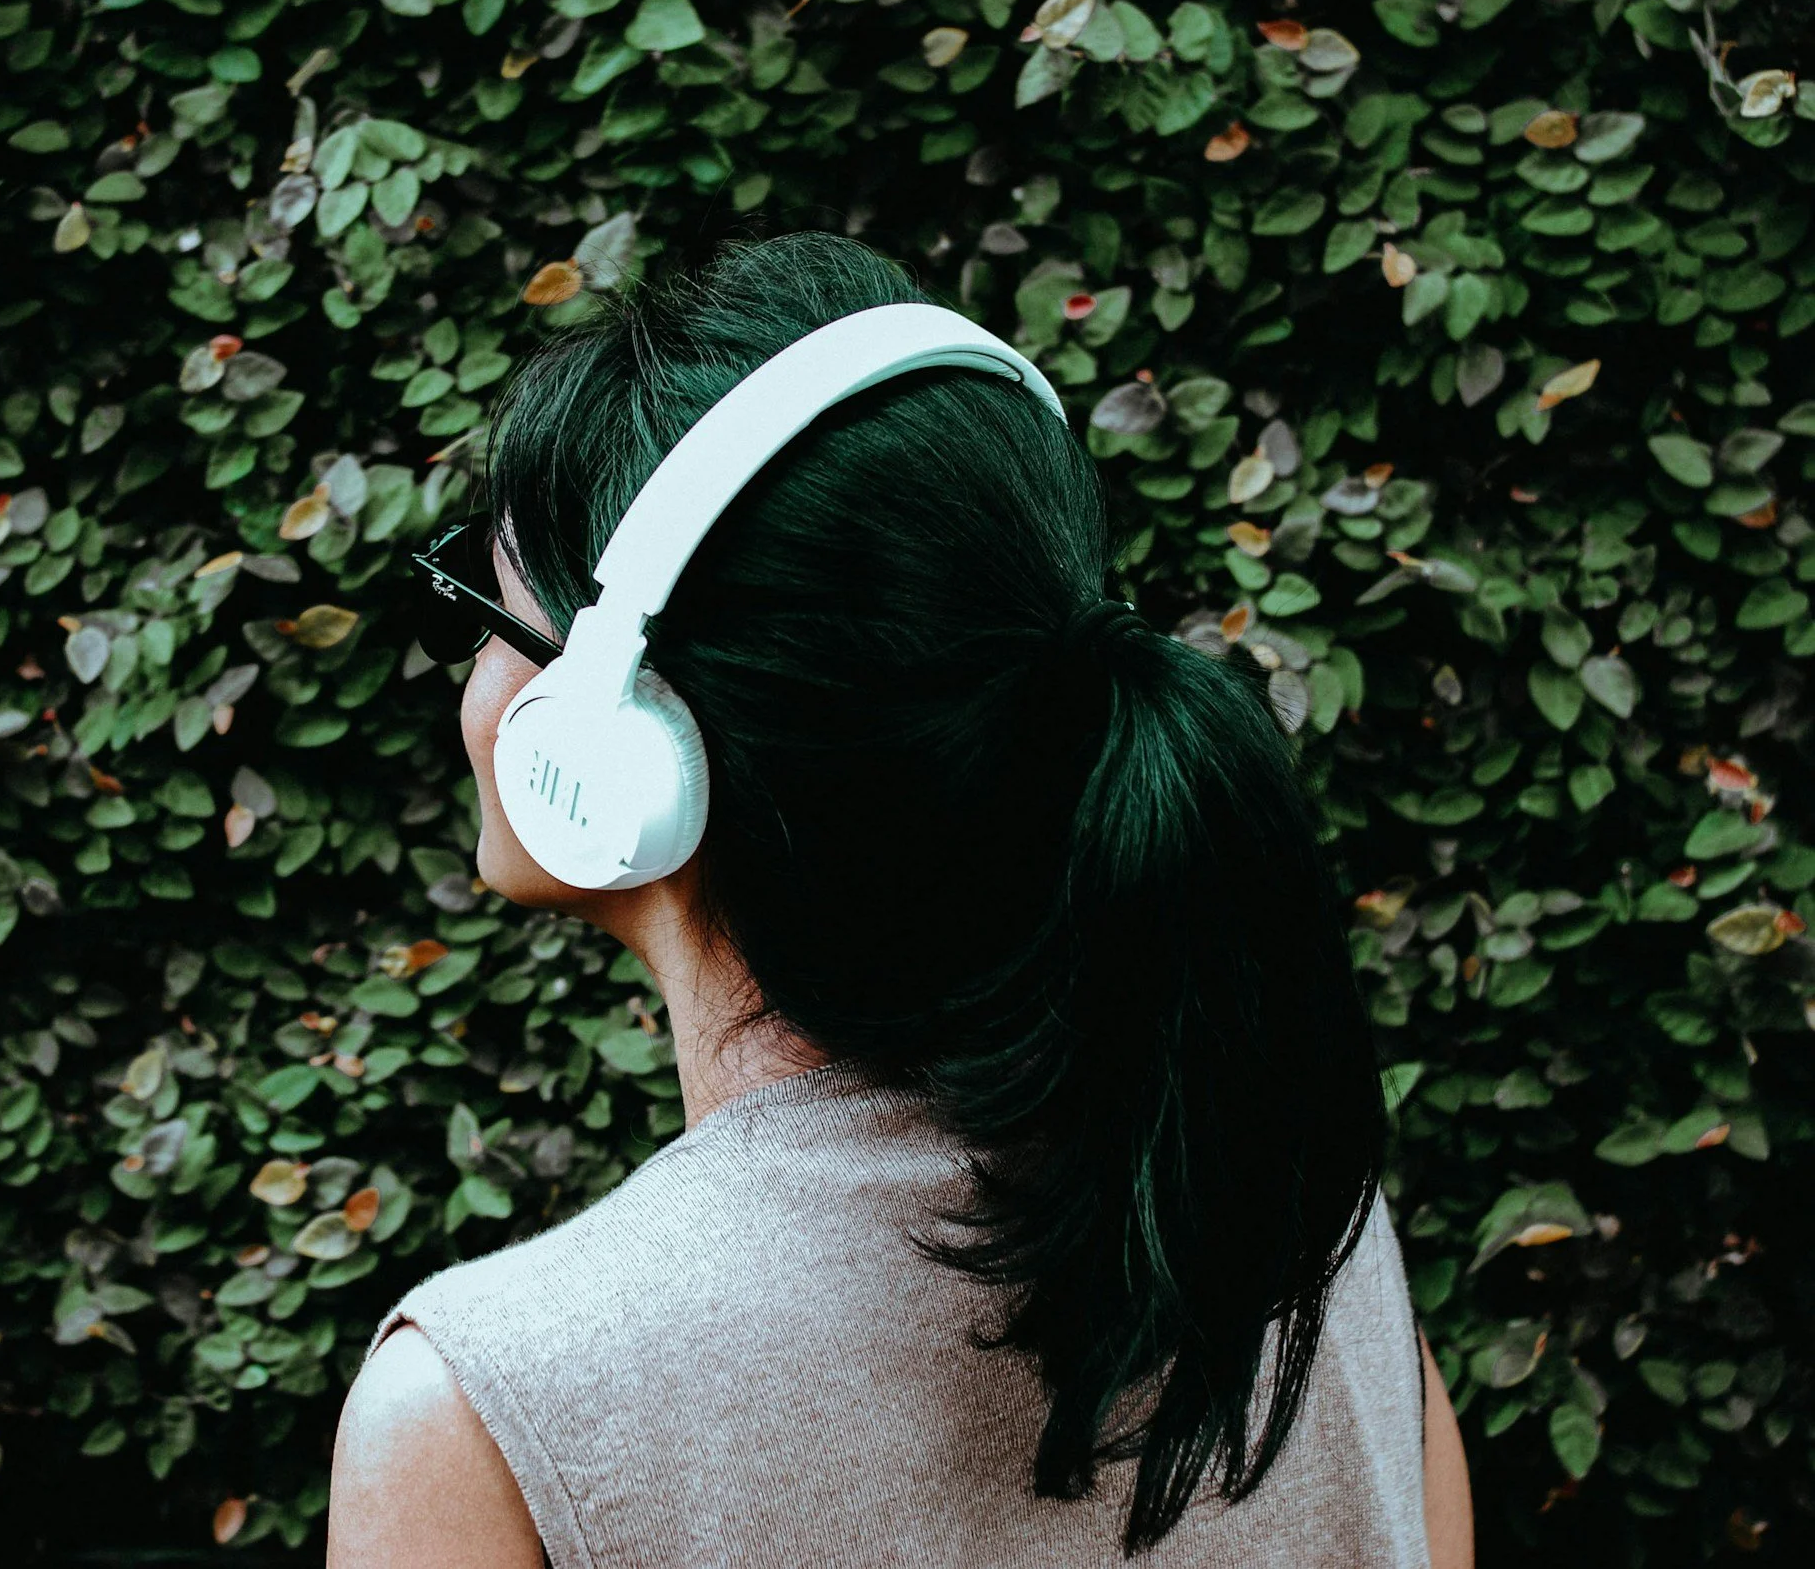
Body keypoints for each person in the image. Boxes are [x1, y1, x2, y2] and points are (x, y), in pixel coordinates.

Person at [327, 231, 1472, 1568]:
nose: (466, 668)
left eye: (482, 608)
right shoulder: (1296, 1234)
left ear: (611, 750)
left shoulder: (492, 1414)